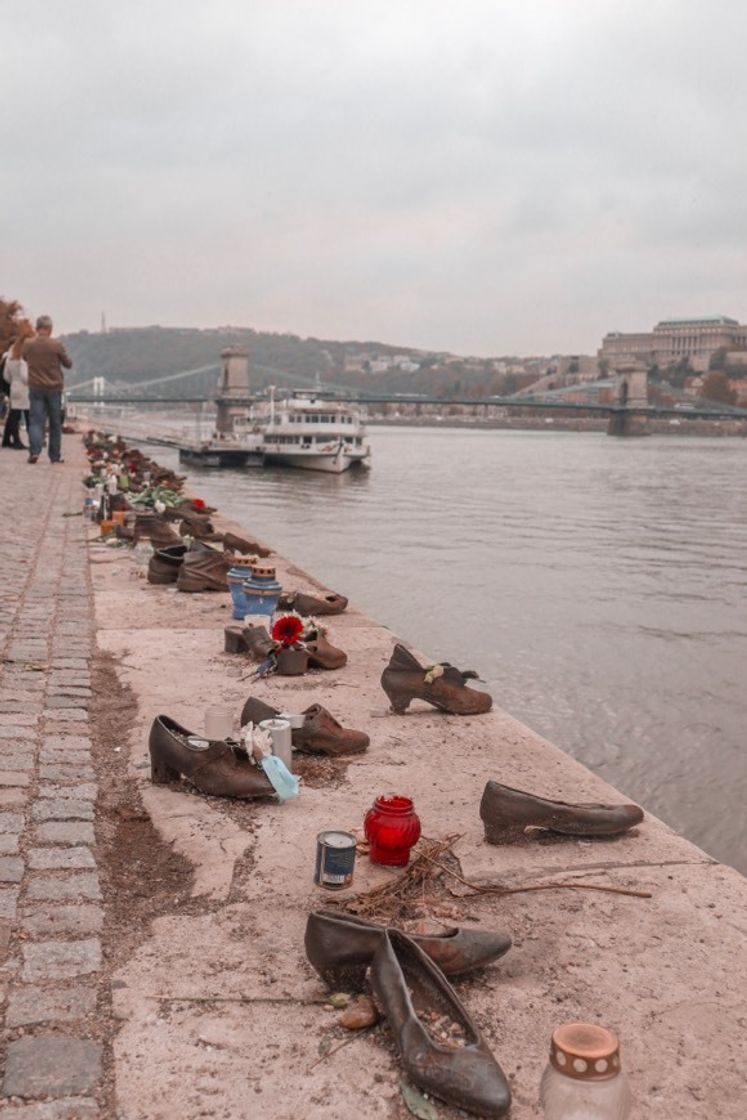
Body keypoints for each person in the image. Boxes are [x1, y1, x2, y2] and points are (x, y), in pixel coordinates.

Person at [22, 314, 72, 464]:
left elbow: (25, 358)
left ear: (37, 328)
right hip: (54, 388)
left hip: (35, 387)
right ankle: (54, 456)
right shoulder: (56, 345)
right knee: (55, 423)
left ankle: (35, 451)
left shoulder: (28, 344)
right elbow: (68, 364)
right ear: (49, 329)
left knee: (36, 421)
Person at [1, 320, 34, 450]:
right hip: (23, 389)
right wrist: (32, 381)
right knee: (23, 415)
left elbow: (5, 376)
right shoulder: (22, 360)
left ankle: (9, 439)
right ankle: (18, 441)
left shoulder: (10, 358)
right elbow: (25, 377)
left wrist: (13, 382)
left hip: (14, 387)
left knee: (14, 414)